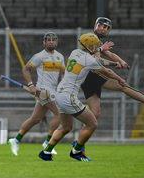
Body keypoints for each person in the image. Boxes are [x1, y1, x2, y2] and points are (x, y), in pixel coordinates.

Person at [39, 33, 128, 162]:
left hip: (59, 94)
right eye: (94, 45)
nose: (96, 47)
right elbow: (106, 71)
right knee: (92, 124)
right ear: (90, 46)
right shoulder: (89, 59)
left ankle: (46, 152)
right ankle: (76, 151)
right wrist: (120, 79)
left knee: (65, 127)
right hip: (69, 97)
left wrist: (114, 63)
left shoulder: (75, 52)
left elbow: (98, 61)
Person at [81, 17, 144, 123]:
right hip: (90, 74)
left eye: (107, 28)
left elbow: (109, 54)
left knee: (95, 114)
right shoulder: (90, 38)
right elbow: (96, 60)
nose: (105, 29)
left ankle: (78, 138)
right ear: (96, 25)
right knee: (123, 85)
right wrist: (114, 63)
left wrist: (121, 61)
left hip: (87, 78)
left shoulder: (96, 40)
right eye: (103, 26)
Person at [7, 32, 64, 156]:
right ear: (44, 42)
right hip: (42, 90)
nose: (51, 42)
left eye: (53, 40)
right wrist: (31, 85)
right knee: (59, 114)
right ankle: (48, 142)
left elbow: (63, 73)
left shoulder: (60, 57)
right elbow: (26, 69)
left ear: (56, 42)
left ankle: (16, 140)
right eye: (48, 40)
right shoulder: (39, 56)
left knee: (35, 119)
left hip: (53, 91)